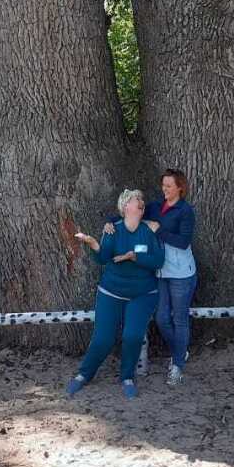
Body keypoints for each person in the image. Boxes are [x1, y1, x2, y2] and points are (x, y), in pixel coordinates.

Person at [67, 189, 165, 400]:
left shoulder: (149, 231)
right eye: (135, 199)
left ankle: (127, 377)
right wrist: (92, 243)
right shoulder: (113, 230)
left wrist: (134, 257)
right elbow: (103, 258)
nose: (141, 202)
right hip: (111, 292)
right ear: (125, 207)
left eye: (142, 199)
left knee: (132, 336)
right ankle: (84, 374)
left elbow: (158, 261)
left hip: (143, 293)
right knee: (103, 339)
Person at [145, 169, 196, 386]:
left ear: (180, 188)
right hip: (161, 271)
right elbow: (133, 211)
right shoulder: (156, 206)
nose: (164, 189)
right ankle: (180, 351)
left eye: (169, 186)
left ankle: (177, 366)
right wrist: (111, 220)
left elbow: (183, 242)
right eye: (163, 185)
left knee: (179, 319)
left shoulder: (185, 210)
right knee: (161, 318)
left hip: (182, 273)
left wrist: (157, 230)